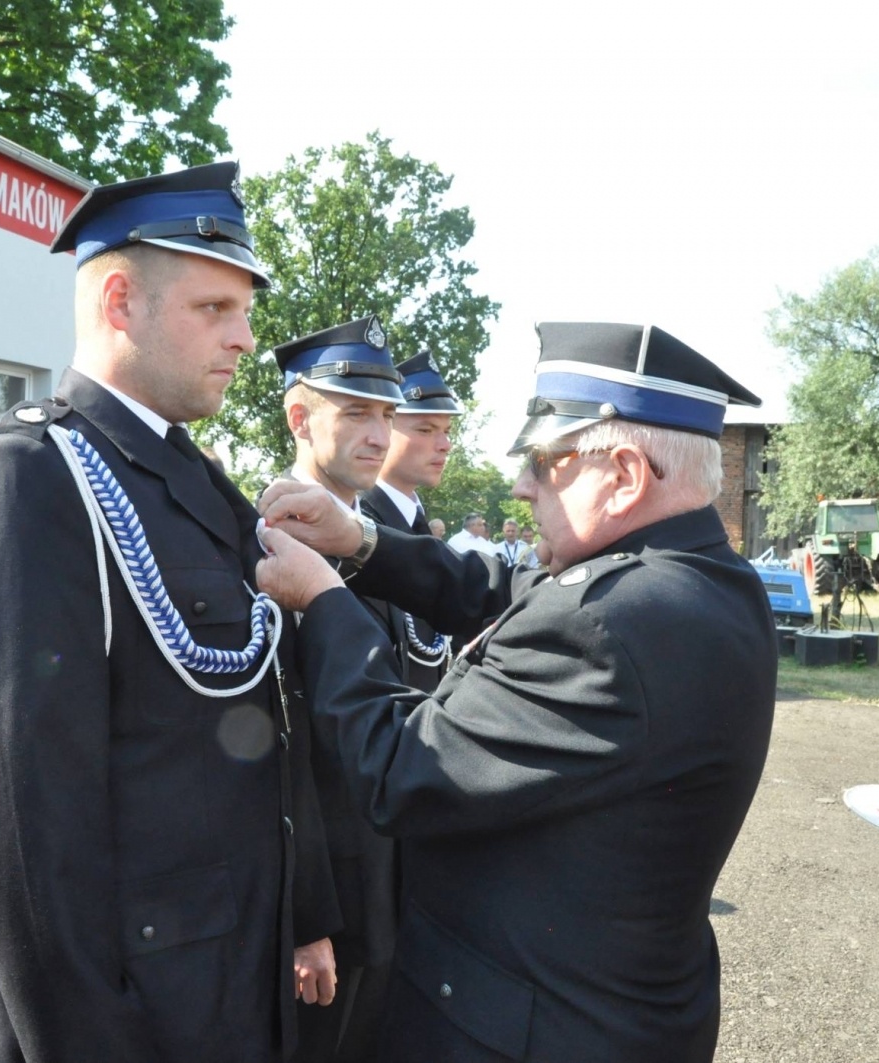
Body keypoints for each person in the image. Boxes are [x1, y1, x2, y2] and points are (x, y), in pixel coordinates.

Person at [254, 321, 777, 1061]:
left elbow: (399, 768)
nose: (521, 484)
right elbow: (506, 588)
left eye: (545, 461)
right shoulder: (701, 579)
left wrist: (327, 601)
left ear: (625, 475)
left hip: (526, 1027)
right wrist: (362, 542)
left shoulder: (609, 622)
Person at [0, 161, 341, 1063]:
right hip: (117, 1013)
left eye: (245, 310)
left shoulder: (194, 478)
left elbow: (271, 720)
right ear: (120, 302)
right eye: (213, 309)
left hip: (224, 987)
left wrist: (305, 913)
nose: (244, 337)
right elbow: (20, 826)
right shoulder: (35, 473)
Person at [276, 318, 404, 1063]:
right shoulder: (271, 540)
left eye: (388, 414)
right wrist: (307, 915)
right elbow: (276, 742)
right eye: (356, 411)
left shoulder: (372, 540)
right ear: (301, 417)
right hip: (327, 904)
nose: (379, 432)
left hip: (386, 874)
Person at [361, 351, 463, 691]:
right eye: (425, 428)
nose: (445, 444)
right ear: (384, 429)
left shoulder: (416, 526)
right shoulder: (357, 527)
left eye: (446, 431)